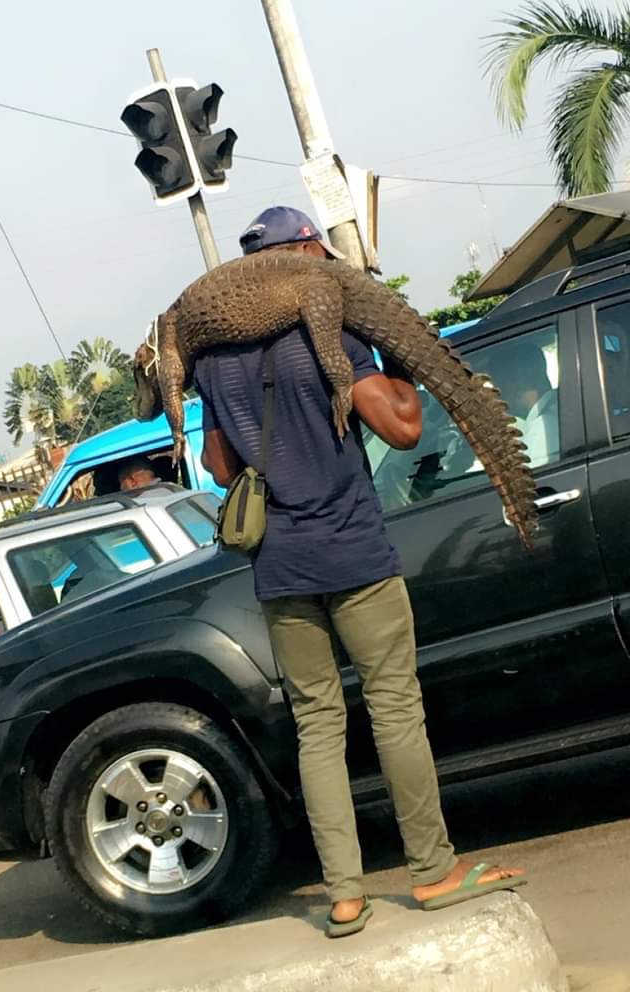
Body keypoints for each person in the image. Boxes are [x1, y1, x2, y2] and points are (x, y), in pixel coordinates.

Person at [195, 206, 525, 937]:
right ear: (307, 251)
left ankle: (343, 895)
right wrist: (396, 359)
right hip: (351, 548)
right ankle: (432, 871)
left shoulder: (215, 352)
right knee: (394, 710)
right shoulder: (333, 325)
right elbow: (402, 428)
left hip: (280, 565)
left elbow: (220, 468)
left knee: (318, 726)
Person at [482, 342, 559, 469]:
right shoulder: (561, 410)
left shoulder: (541, 430)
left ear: (517, 382)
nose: (496, 396)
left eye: (497, 386)